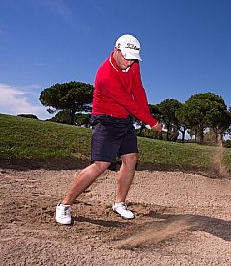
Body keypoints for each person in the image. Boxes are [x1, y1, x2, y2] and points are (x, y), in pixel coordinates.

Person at [55, 34, 162, 225]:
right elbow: (128, 102)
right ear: (116, 50)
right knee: (101, 164)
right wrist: (152, 122)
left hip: (124, 119)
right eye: (125, 56)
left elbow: (138, 89)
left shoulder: (133, 64)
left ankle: (119, 203)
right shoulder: (105, 76)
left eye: (132, 58)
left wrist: (147, 117)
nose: (128, 62)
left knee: (130, 159)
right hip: (105, 119)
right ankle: (64, 204)